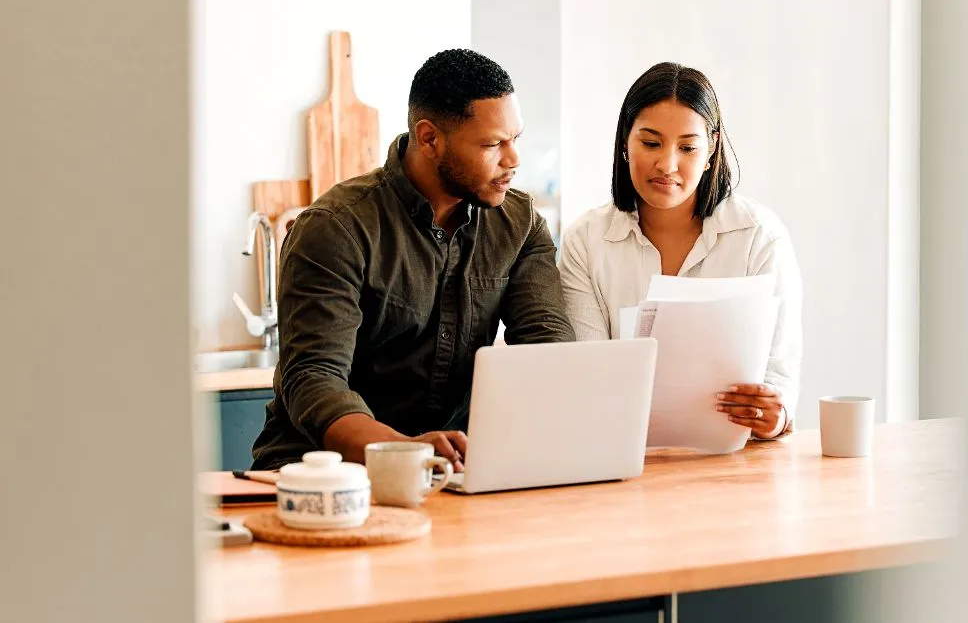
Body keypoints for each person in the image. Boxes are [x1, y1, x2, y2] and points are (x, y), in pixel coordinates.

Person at [251, 49, 575, 471]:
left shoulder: (520, 223)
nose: (513, 160)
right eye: (493, 144)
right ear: (429, 139)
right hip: (322, 475)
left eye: (515, 139)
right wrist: (408, 453)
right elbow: (315, 379)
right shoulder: (335, 228)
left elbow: (547, 350)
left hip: (448, 472)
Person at [558, 62, 802, 440]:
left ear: (711, 149)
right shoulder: (586, 242)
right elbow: (588, 376)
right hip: (618, 458)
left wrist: (774, 415)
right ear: (626, 141)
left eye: (687, 147)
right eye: (651, 143)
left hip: (732, 465)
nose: (667, 164)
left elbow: (778, 379)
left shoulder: (758, 236)